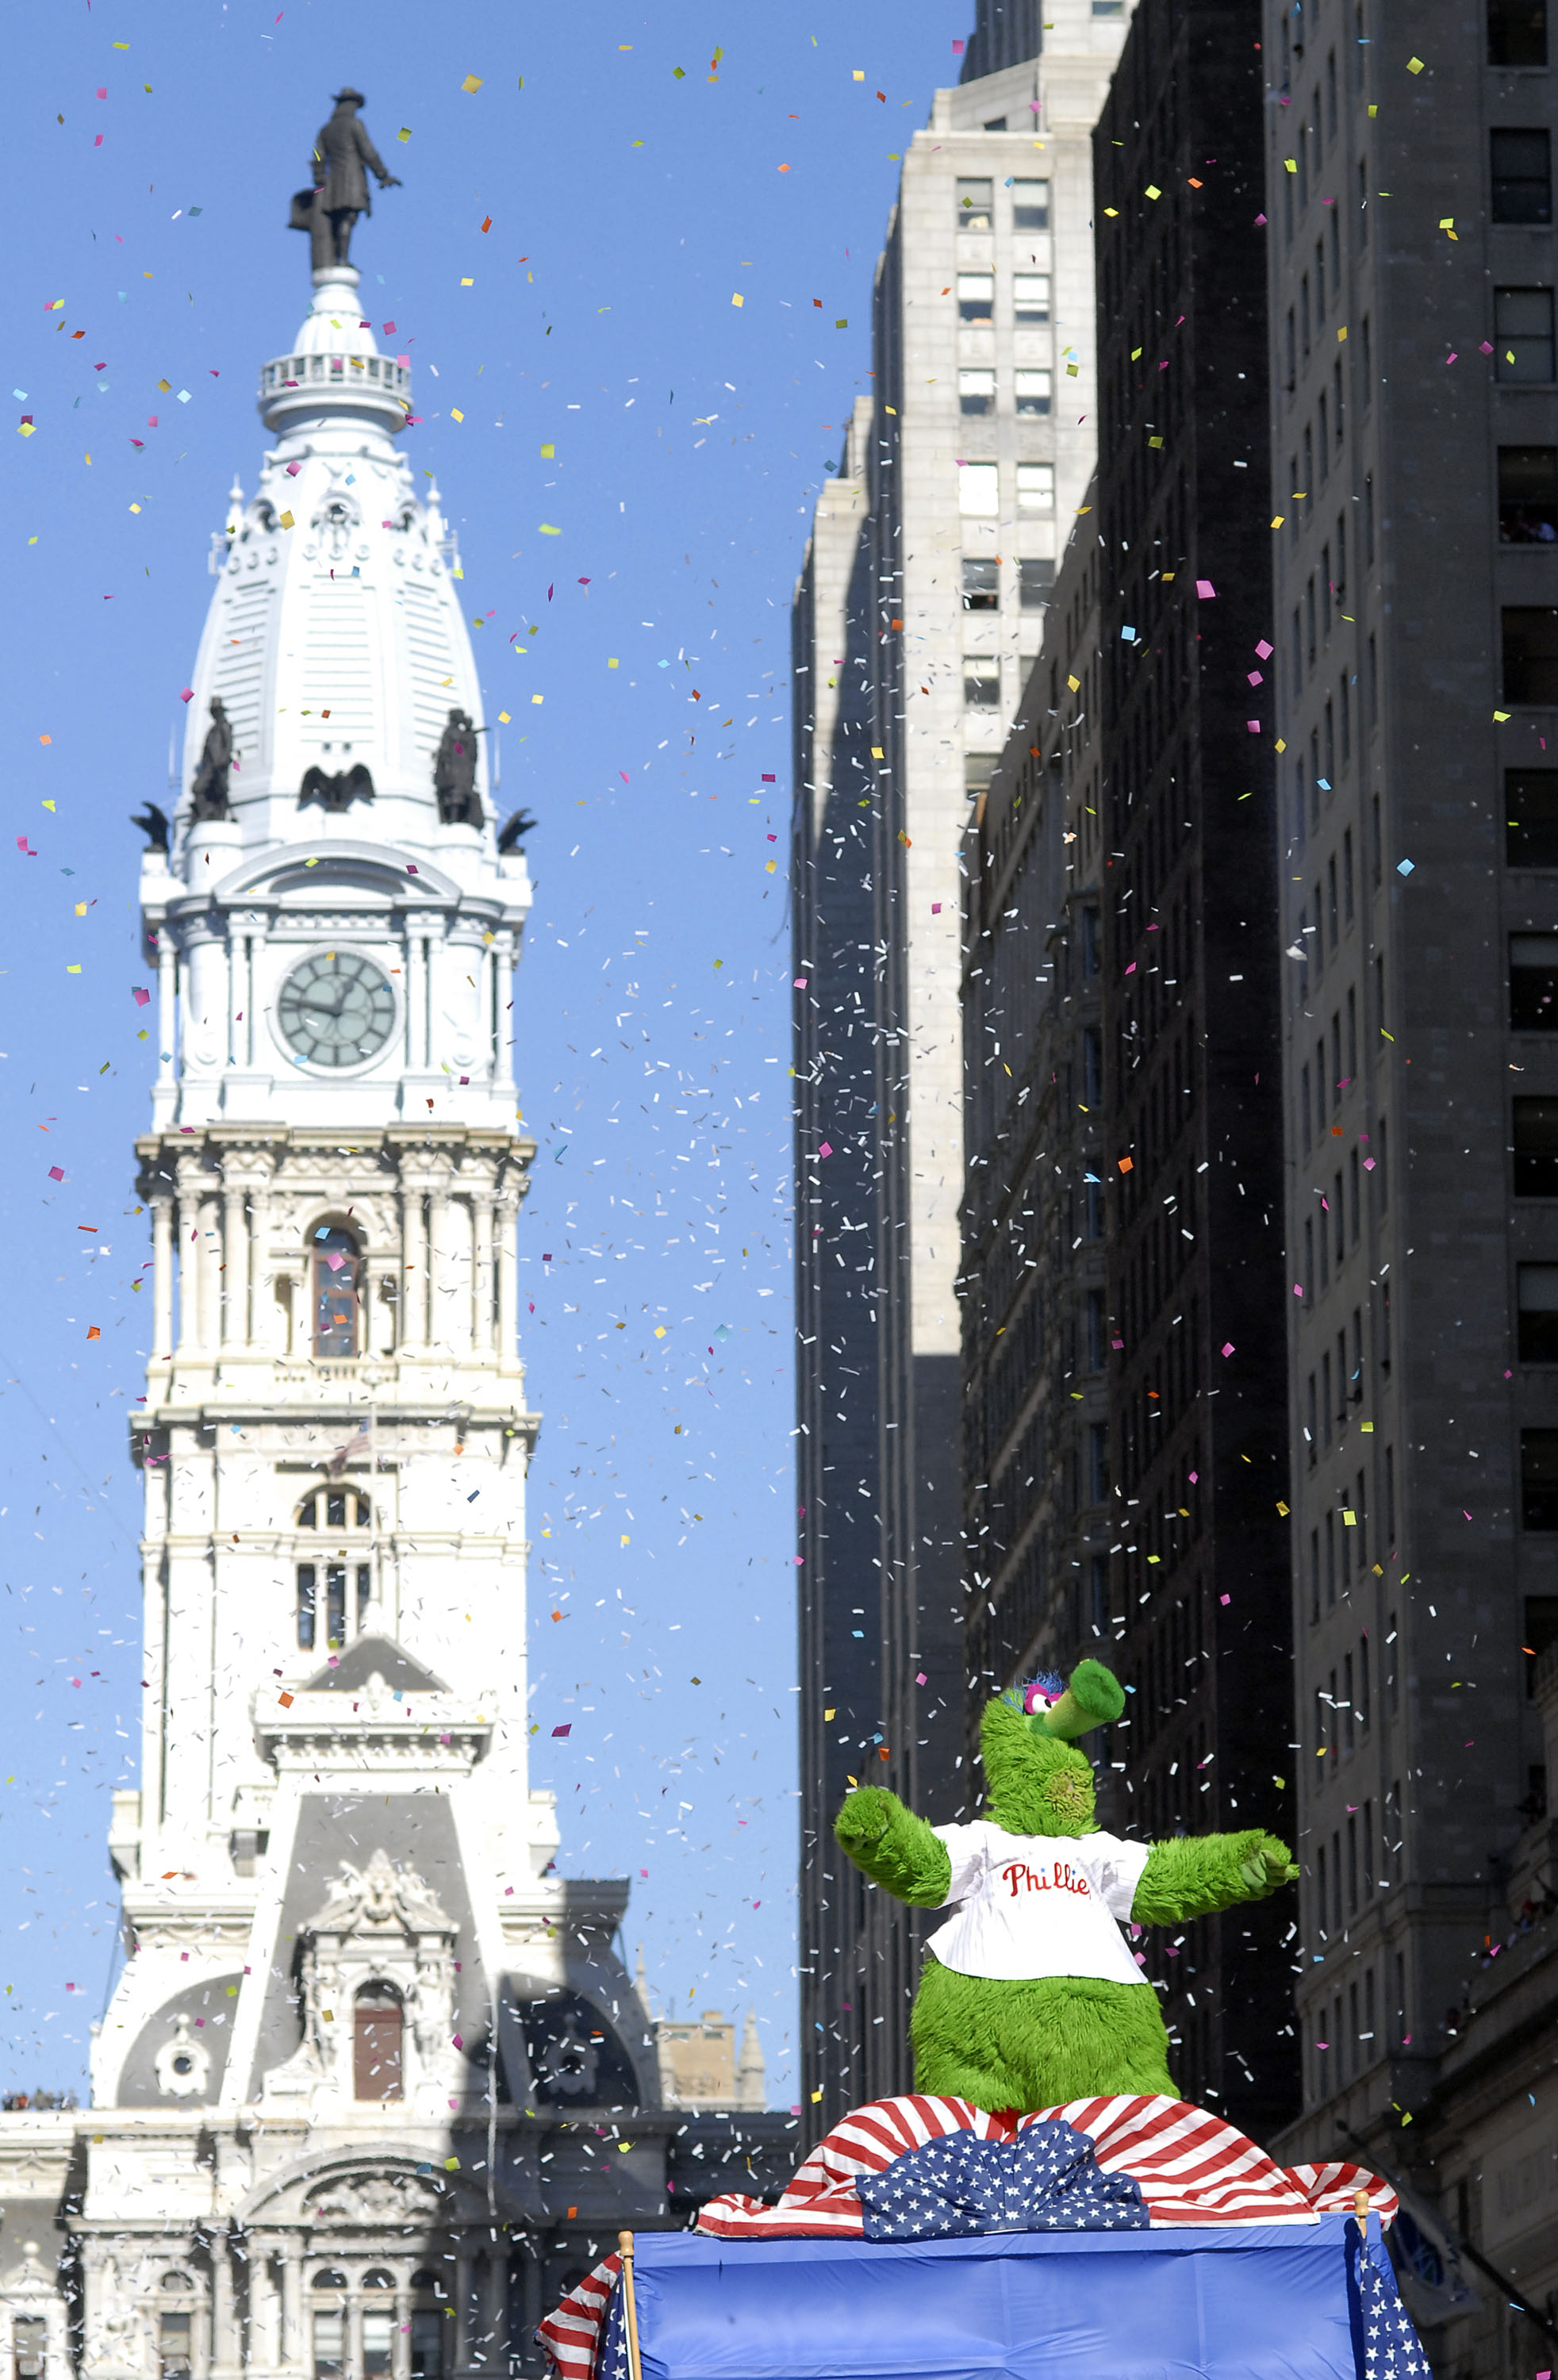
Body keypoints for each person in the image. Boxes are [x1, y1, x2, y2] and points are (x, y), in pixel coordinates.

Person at [295, 89, 401, 272]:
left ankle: (338, 258)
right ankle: (342, 260)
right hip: (352, 179)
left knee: (337, 220)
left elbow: (317, 155)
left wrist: (319, 176)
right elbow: (367, 151)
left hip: (333, 181)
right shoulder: (355, 124)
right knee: (348, 217)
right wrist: (382, 174)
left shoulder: (325, 130)